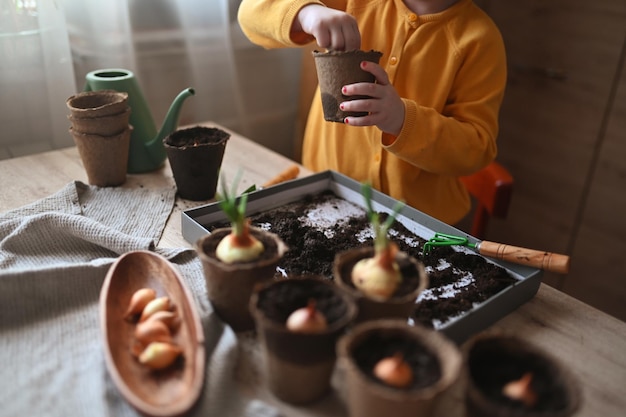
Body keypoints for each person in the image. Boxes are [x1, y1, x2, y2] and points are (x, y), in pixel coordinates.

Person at [238, 0, 507, 225]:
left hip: (418, 225)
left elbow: (476, 147)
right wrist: (306, 12)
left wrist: (403, 120)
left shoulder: (480, 39)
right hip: (326, 199)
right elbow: (251, 12)